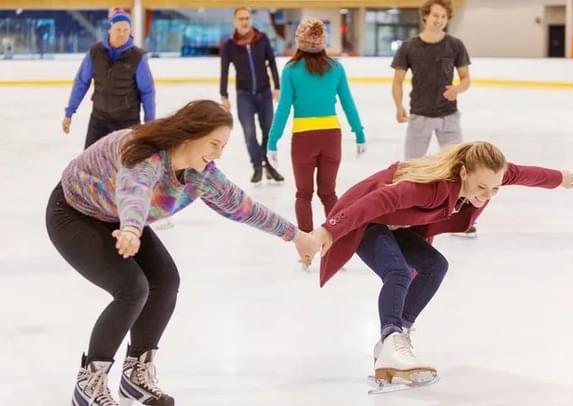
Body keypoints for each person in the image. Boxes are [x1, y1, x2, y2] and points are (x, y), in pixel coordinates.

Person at [46, 100, 318, 406]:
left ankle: (136, 374)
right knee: (131, 288)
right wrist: (132, 229)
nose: (217, 154)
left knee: (166, 281)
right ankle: (90, 384)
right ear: (190, 135)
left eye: (223, 146)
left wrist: (296, 236)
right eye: (214, 144)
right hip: (73, 213)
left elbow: (243, 207)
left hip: (118, 220)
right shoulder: (142, 152)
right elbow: (133, 190)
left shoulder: (201, 174)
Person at [312, 141, 573, 386]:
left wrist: (561, 179)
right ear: (464, 173)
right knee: (399, 272)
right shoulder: (434, 187)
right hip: (363, 218)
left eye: (495, 188)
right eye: (481, 188)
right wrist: (328, 230)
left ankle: (394, 340)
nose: (487, 195)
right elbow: (381, 199)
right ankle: (391, 340)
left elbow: (525, 174)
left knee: (435, 266)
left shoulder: (488, 174)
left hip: (391, 223)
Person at [267, 19, 367, 235]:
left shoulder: (291, 70)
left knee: (303, 194)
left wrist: (272, 141)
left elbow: (283, 109)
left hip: (304, 138)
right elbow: (348, 104)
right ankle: (338, 240)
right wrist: (359, 133)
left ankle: (306, 248)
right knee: (328, 193)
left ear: (299, 41)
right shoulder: (336, 68)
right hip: (331, 137)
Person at [392, 0, 475, 236]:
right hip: (419, 116)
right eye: (435, 16)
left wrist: (457, 89)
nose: (439, 20)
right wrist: (399, 107)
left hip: (449, 117)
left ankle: (460, 218)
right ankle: (405, 215)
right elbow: (397, 82)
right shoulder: (409, 47)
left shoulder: (455, 45)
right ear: (425, 17)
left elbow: (466, 78)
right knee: (411, 167)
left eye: (444, 17)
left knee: (459, 167)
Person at [62, 8, 155, 149]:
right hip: (100, 118)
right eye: (118, 29)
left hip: (127, 120)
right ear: (110, 29)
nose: (122, 33)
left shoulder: (138, 57)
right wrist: (69, 112)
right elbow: (81, 83)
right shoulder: (95, 52)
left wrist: (149, 122)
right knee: (89, 161)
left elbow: (147, 92)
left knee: (128, 163)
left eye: (126, 29)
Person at [220, 7, 284, 183]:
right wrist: (223, 95)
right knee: (249, 133)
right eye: (241, 18)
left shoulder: (261, 39)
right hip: (244, 95)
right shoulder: (229, 45)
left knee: (269, 132)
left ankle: (269, 167)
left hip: (264, 93)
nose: (245, 21)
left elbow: (271, 62)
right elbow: (224, 71)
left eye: (247, 18)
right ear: (235, 21)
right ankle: (257, 165)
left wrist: (277, 86)